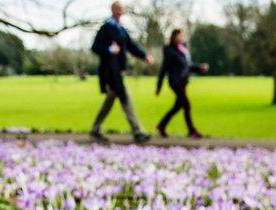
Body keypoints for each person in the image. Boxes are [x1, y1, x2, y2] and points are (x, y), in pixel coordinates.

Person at [89, 2, 154, 144]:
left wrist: (144, 56)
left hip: (118, 71)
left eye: (121, 9)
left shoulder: (121, 30)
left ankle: (95, 129)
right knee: (125, 98)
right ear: (113, 10)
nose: (120, 12)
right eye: (117, 9)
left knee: (110, 100)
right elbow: (95, 47)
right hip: (110, 72)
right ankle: (137, 132)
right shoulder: (106, 28)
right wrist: (109, 50)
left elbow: (131, 46)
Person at [156, 29, 208, 139]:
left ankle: (161, 125)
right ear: (173, 37)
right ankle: (191, 130)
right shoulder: (169, 51)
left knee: (178, 106)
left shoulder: (183, 50)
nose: (181, 38)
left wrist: (199, 67)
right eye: (178, 36)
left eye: (182, 36)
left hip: (183, 82)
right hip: (175, 82)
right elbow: (163, 68)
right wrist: (159, 86)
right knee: (186, 105)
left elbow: (187, 66)